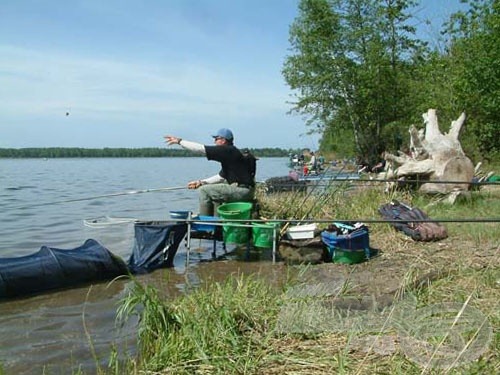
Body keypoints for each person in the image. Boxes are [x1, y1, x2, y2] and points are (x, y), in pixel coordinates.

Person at [164, 128, 256, 216]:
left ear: (223, 140)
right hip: (246, 191)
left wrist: (180, 141)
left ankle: (205, 224)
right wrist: (201, 182)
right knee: (213, 192)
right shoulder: (230, 153)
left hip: (241, 191)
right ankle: (216, 224)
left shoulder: (228, 150)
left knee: (204, 191)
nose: (214, 141)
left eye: (216, 139)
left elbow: (201, 149)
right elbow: (221, 177)